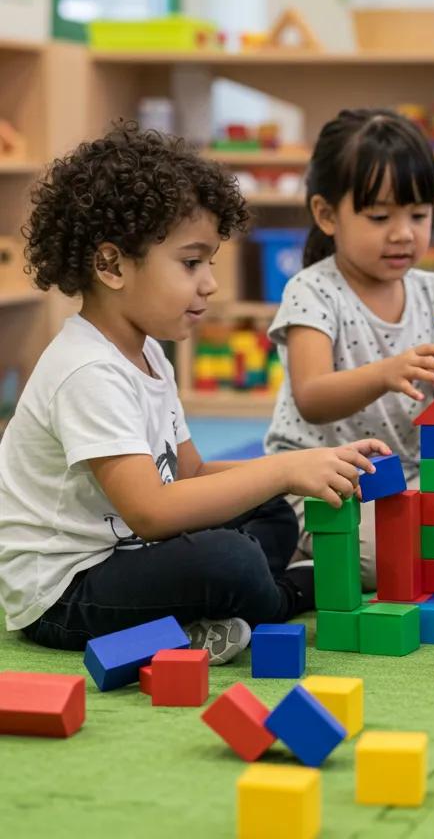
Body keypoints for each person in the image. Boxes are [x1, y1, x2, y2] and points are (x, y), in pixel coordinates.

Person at [0, 124, 387, 663]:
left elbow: (191, 476)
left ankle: (211, 611)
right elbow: (153, 513)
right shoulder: (86, 370)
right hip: (65, 594)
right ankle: (286, 594)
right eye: (191, 263)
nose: (210, 284)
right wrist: (278, 470)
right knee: (231, 559)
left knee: (271, 509)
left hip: (128, 556)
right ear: (111, 265)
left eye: (209, 262)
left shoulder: (148, 352)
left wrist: (301, 463)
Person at [264, 109, 434, 585]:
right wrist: (384, 372)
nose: (403, 233)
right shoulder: (312, 291)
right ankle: (301, 561)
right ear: (327, 215)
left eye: (418, 215)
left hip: (408, 478)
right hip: (321, 482)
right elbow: (311, 396)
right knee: (388, 557)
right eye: (380, 216)